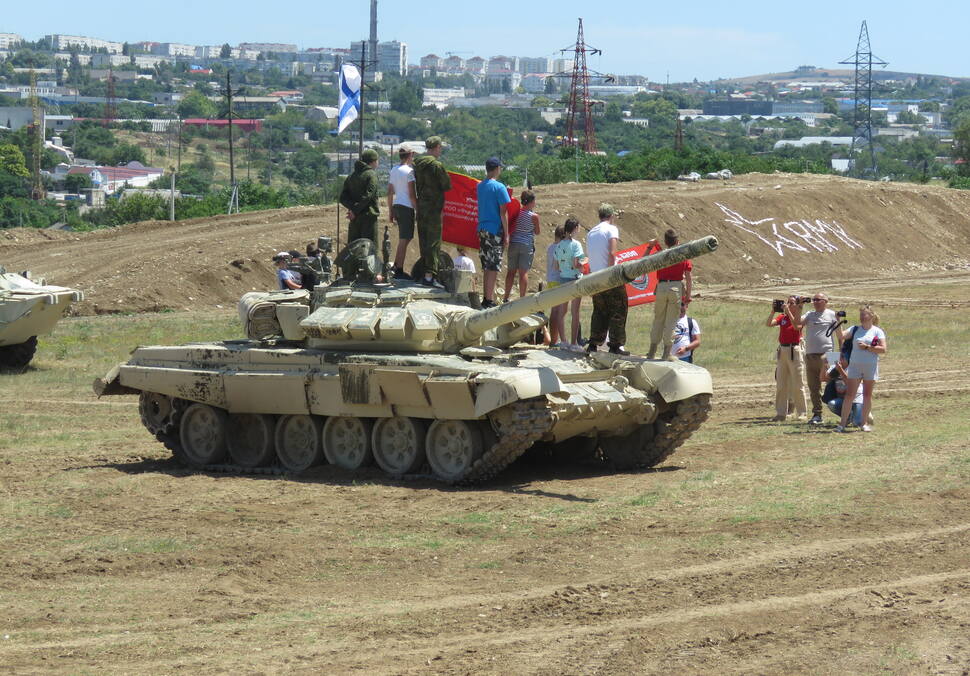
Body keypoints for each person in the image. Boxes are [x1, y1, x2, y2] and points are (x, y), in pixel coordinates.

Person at [585, 203, 629, 355]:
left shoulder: (591, 233)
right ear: (611, 216)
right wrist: (611, 274)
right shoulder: (611, 229)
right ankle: (615, 345)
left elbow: (591, 257)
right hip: (609, 276)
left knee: (599, 311)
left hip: (596, 278)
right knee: (619, 310)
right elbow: (612, 253)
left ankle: (593, 343)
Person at [837, 306, 887, 433]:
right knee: (850, 395)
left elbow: (883, 349)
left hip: (870, 365)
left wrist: (867, 347)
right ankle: (842, 424)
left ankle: (863, 423)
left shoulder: (877, 331)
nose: (862, 317)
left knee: (867, 395)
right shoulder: (855, 329)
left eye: (864, 314)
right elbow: (841, 336)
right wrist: (837, 322)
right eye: (861, 314)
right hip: (855, 366)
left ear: (871, 316)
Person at [412, 136, 452, 287]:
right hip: (434, 209)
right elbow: (447, 185)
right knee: (434, 243)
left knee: (423, 242)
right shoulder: (436, 165)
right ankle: (430, 277)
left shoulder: (417, 163)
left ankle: (425, 273)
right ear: (436, 147)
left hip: (421, 207)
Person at [648, 229, 692, 360]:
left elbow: (644, 262)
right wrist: (688, 296)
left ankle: (651, 351)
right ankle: (666, 354)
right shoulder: (683, 255)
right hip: (675, 288)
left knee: (658, 320)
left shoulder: (661, 254)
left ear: (666, 242)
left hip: (661, 287)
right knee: (671, 322)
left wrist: (650, 246)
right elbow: (689, 278)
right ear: (677, 242)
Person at [802, 293, 845, 424]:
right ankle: (817, 415)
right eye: (813, 300)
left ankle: (845, 411)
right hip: (810, 354)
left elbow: (840, 335)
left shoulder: (833, 314)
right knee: (813, 387)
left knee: (836, 384)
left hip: (829, 354)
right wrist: (799, 307)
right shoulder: (809, 314)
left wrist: (842, 353)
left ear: (825, 301)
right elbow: (797, 323)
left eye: (818, 300)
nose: (815, 302)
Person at [476, 157, 511, 308]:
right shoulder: (499, 187)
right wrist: (507, 234)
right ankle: (489, 299)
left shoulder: (480, 186)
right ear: (496, 168)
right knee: (494, 266)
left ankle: (486, 297)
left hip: (482, 228)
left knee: (486, 266)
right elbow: (503, 213)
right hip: (495, 229)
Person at [767, 295, 807, 421]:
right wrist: (773, 311)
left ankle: (802, 413)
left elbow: (796, 327)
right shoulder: (782, 317)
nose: (788, 304)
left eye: (792, 303)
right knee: (781, 383)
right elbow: (769, 324)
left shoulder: (799, 318)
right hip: (783, 350)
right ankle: (781, 413)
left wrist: (788, 312)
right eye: (787, 302)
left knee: (797, 383)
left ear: (797, 305)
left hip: (794, 350)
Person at [502, 189, 540, 302]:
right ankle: (522, 299)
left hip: (514, 243)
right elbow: (537, 232)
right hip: (526, 245)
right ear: (532, 201)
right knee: (523, 273)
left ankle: (506, 297)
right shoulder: (534, 216)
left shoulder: (516, 212)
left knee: (511, 272)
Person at [339, 148, 381, 248]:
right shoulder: (371, 175)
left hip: (354, 219)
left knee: (354, 249)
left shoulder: (351, 176)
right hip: (368, 218)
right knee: (370, 248)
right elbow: (368, 196)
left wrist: (352, 210)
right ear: (373, 161)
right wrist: (355, 210)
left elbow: (343, 198)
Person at [387, 146, 418, 278]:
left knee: (405, 237)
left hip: (397, 205)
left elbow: (389, 192)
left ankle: (397, 265)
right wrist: (418, 209)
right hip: (406, 207)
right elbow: (412, 194)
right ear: (410, 155)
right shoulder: (409, 172)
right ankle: (398, 268)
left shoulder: (394, 170)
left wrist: (390, 210)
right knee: (404, 238)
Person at [553, 218, 584, 349]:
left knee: (562, 311)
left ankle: (563, 341)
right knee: (575, 312)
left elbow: (555, 266)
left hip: (562, 279)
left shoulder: (558, 245)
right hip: (575, 279)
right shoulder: (576, 244)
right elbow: (576, 263)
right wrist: (582, 265)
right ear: (575, 228)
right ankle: (573, 343)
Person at [824, 359, 864, 428]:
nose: (840, 359)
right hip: (843, 400)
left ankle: (864, 413)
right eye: (840, 357)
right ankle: (848, 417)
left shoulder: (853, 368)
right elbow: (823, 378)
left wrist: (840, 370)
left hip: (856, 399)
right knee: (832, 404)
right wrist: (824, 365)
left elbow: (849, 384)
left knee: (856, 423)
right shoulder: (835, 367)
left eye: (843, 357)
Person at [546, 224, 566, 346]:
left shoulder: (550, 247)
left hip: (551, 280)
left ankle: (554, 339)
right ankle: (555, 340)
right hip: (558, 280)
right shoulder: (560, 248)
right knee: (558, 312)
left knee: (554, 310)